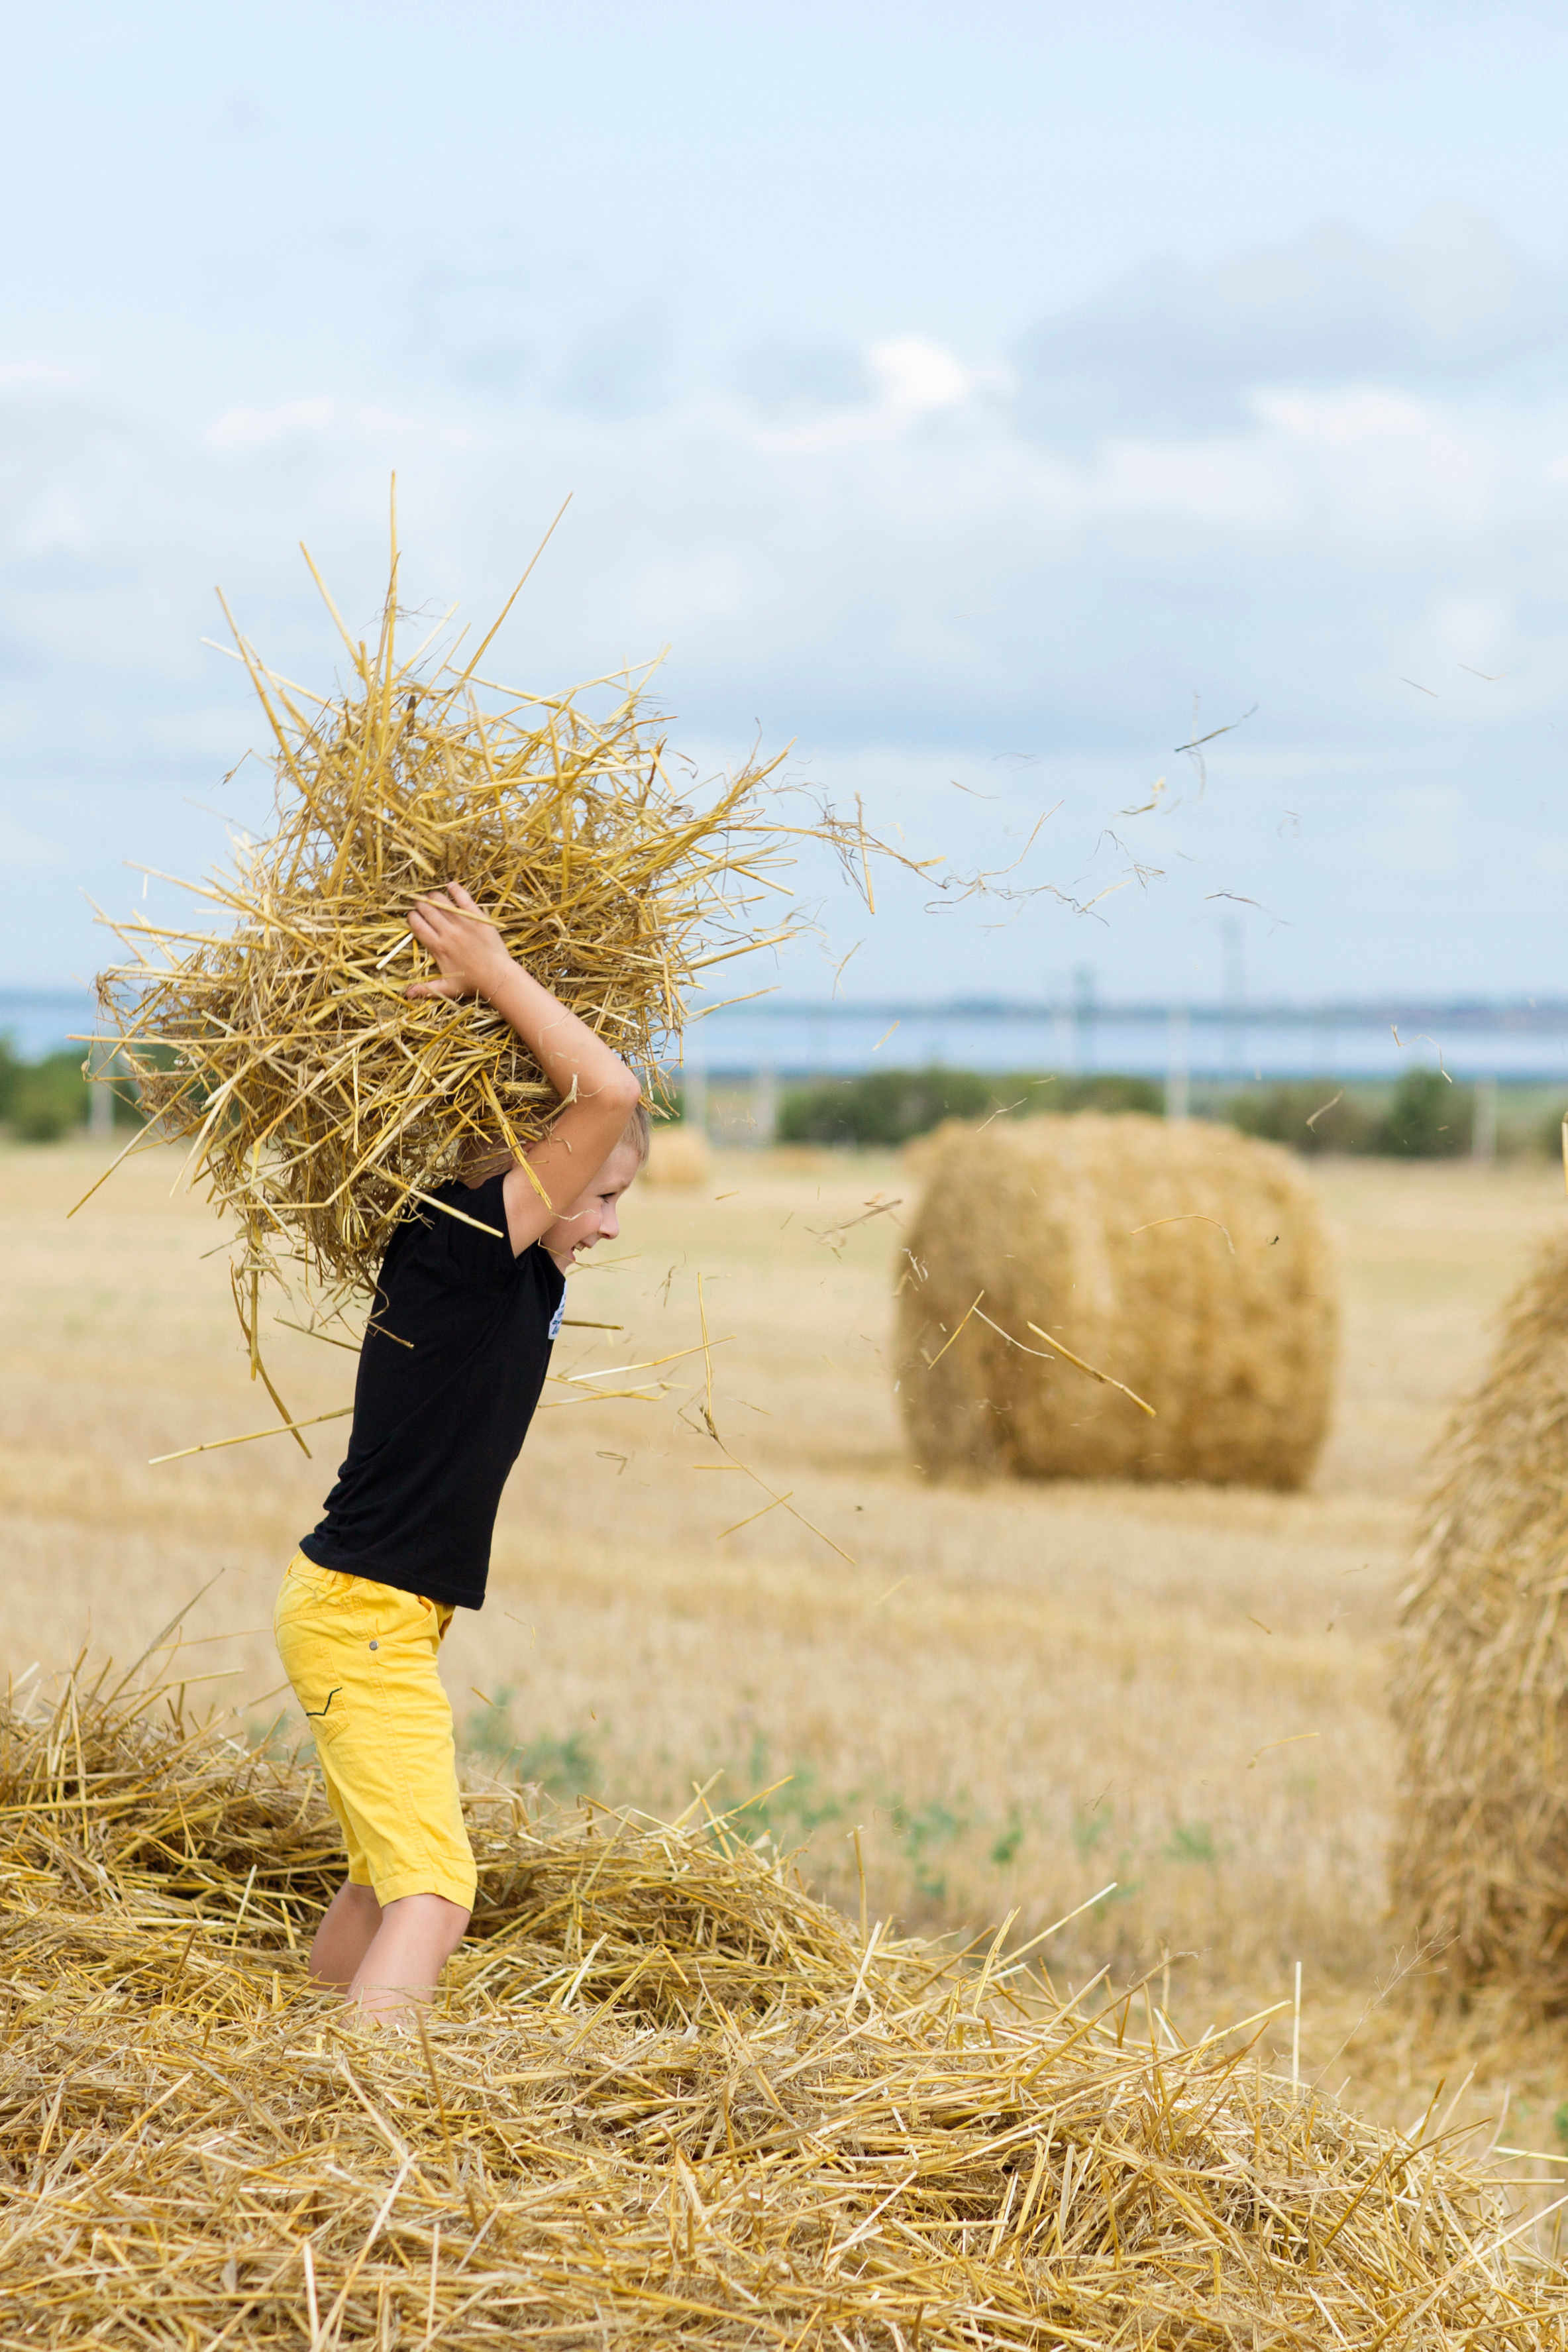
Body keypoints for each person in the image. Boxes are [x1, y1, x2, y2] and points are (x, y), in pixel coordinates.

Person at [273, 881, 645, 2018]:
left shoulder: (519, 1265)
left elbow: (589, 1098)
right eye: (604, 1193)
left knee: (384, 1882)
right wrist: (489, 968)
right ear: (534, 1170)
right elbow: (609, 1088)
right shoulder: (462, 1236)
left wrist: (502, 1012)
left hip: (385, 1612)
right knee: (437, 1893)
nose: (613, 1222)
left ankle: (290, 2063)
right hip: (359, 1613)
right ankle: (377, 2118)